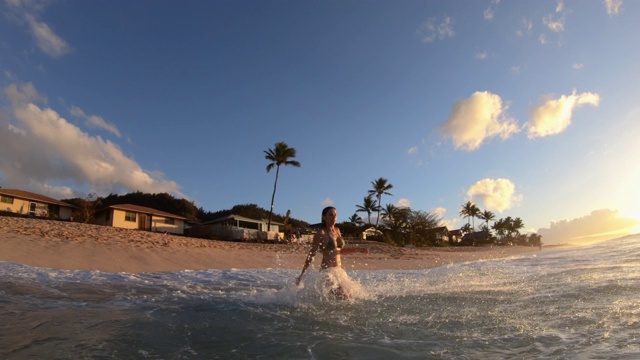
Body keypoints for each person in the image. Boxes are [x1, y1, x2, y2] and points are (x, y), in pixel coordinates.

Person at [295, 206, 368, 299]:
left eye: (335, 215)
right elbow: (311, 254)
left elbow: (339, 251)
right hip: (328, 272)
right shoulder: (320, 233)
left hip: (339, 271)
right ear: (324, 217)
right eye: (330, 215)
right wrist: (302, 275)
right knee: (345, 296)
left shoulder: (337, 231)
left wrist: (359, 250)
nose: (334, 217)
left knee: (351, 296)